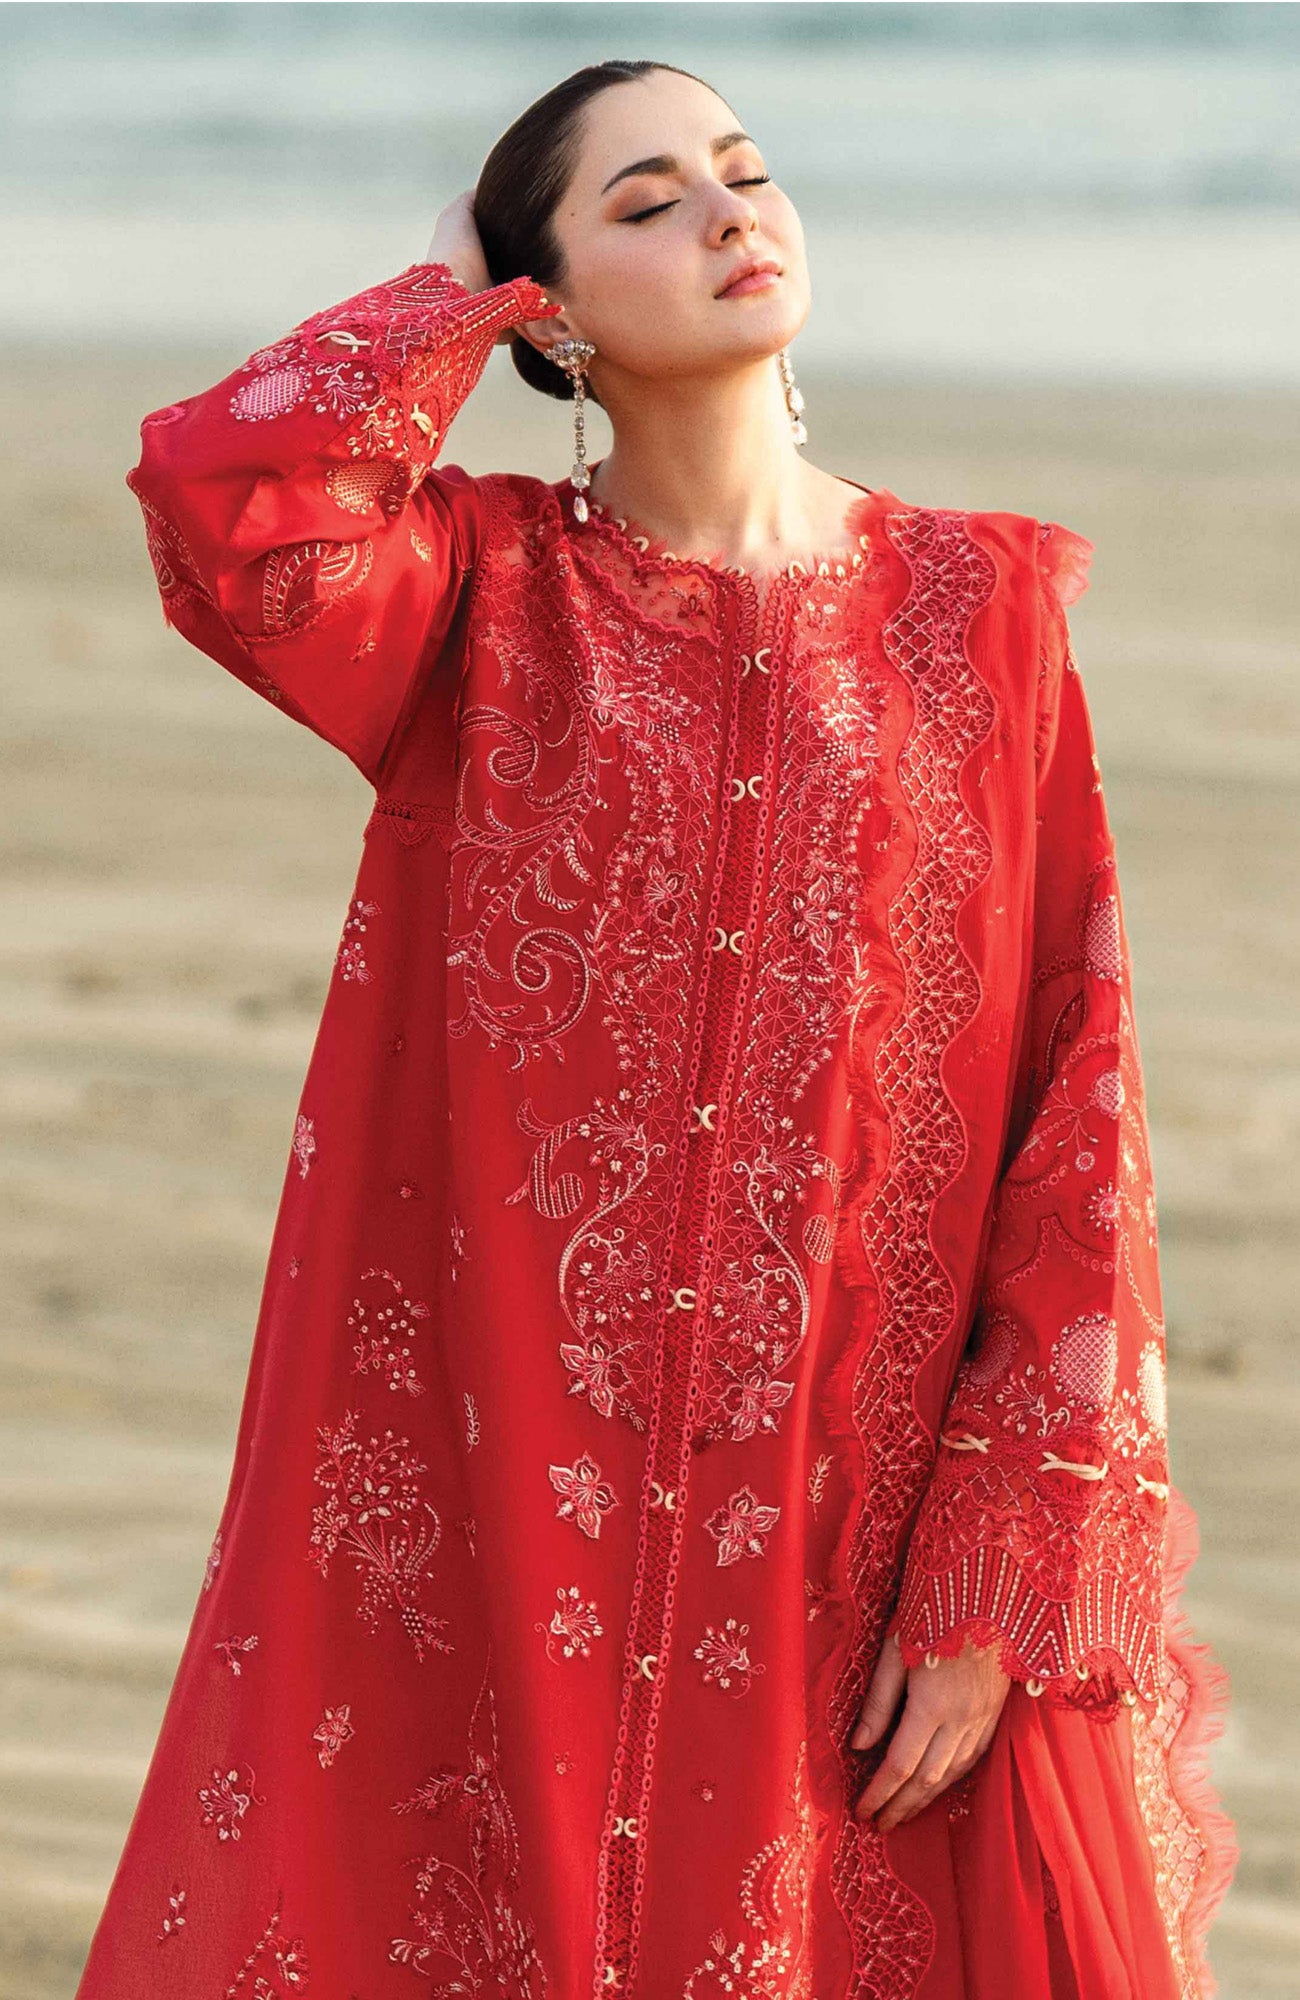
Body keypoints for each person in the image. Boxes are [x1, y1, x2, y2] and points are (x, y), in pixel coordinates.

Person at [76, 57, 1235, 2000]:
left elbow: (1076, 1096)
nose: (725, 212)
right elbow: (230, 510)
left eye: (745, 170)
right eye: (643, 203)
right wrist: (441, 296)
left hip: (852, 1502)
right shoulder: (474, 599)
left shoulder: (980, 608)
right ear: (551, 316)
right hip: (502, 1473)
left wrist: (1004, 1560)